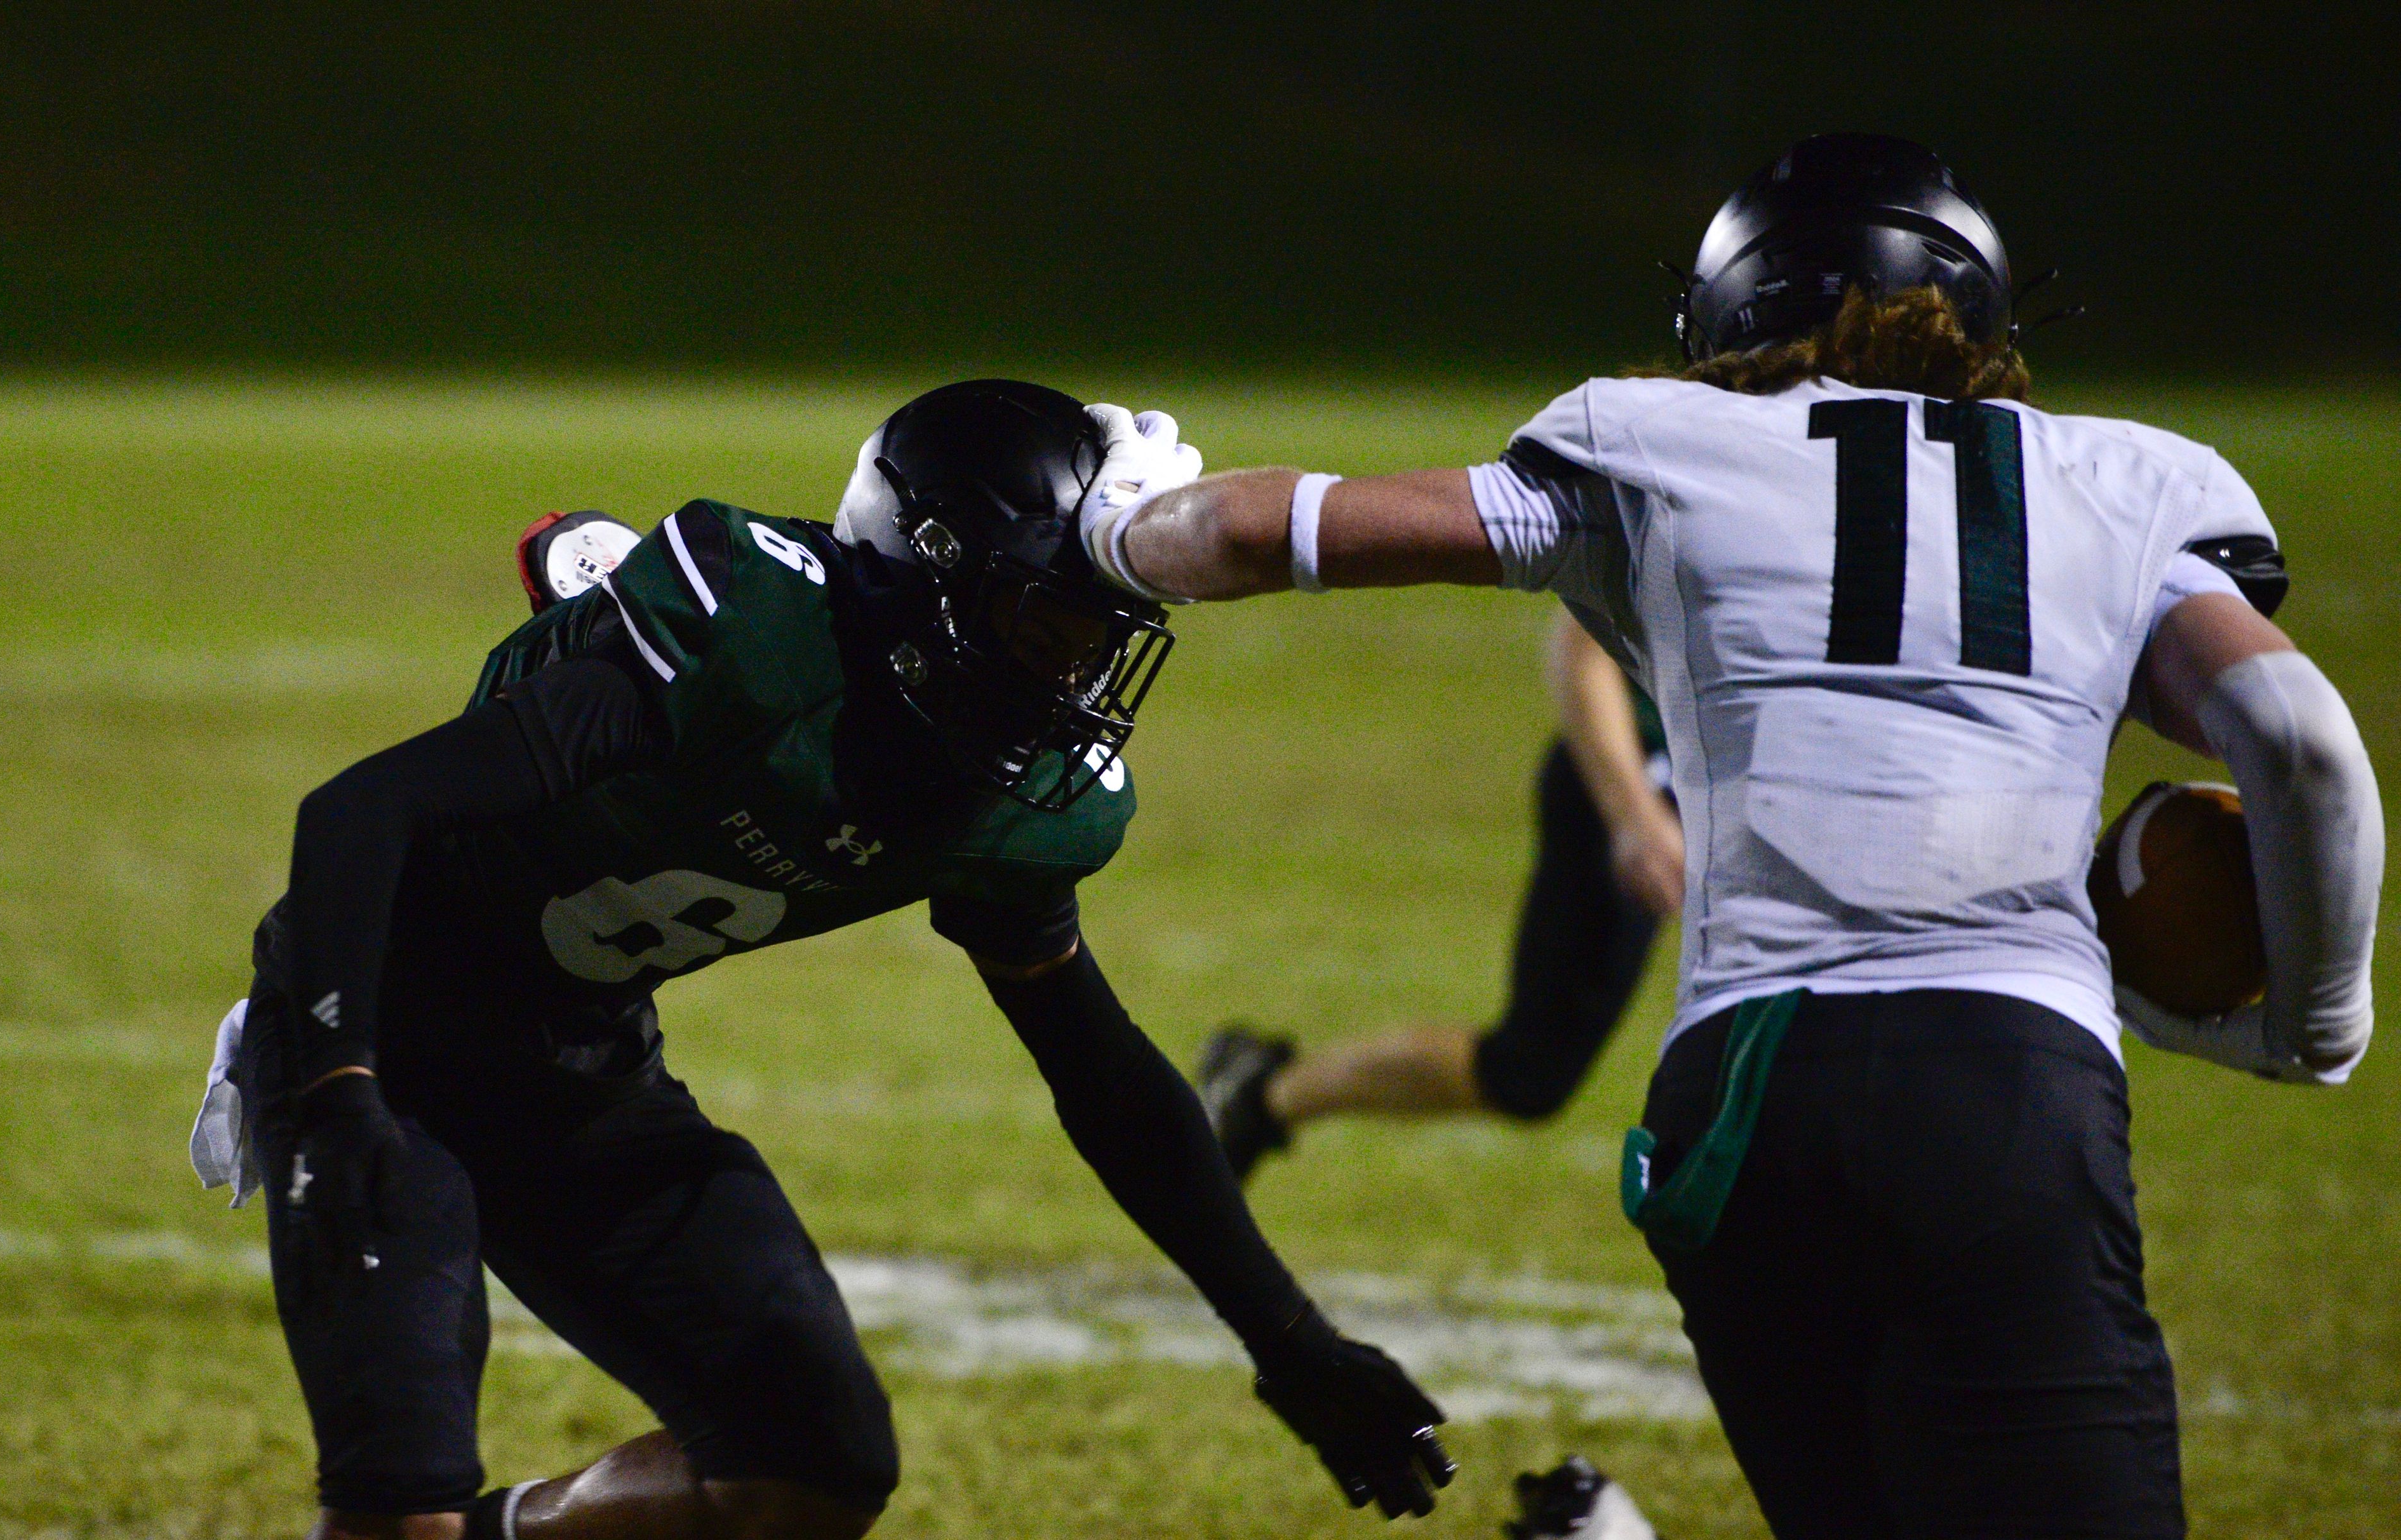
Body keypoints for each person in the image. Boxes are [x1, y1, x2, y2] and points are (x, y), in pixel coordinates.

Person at [1076, 135, 2383, 1539]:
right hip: (2000, 1079)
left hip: (1741, 1104)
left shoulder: (1657, 441)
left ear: (1729, 311)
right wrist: (2316, 1022)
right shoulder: (2125, 485)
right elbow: (2299, 741)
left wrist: (1122, 519)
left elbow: (1261, 533)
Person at [193, 380, 1453, 1540]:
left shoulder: (1009, 800)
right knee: (392, 1505)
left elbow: (1106, 1079)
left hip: (579, 1066)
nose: (1074, 678)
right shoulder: (748, 631)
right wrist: (337, 1080)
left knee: (813, 1466)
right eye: (1049, 625)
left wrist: (1292, 1341)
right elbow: (362, 813)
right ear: (939, 579)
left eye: (1098, 637)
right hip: (382, 1038)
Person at [1195, 610, 1680, 1179]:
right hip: (1642, 786)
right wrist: (1636, 817)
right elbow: (1584, 639)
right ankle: (1259, 1094)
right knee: (1531, 1073)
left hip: (1746, 800)